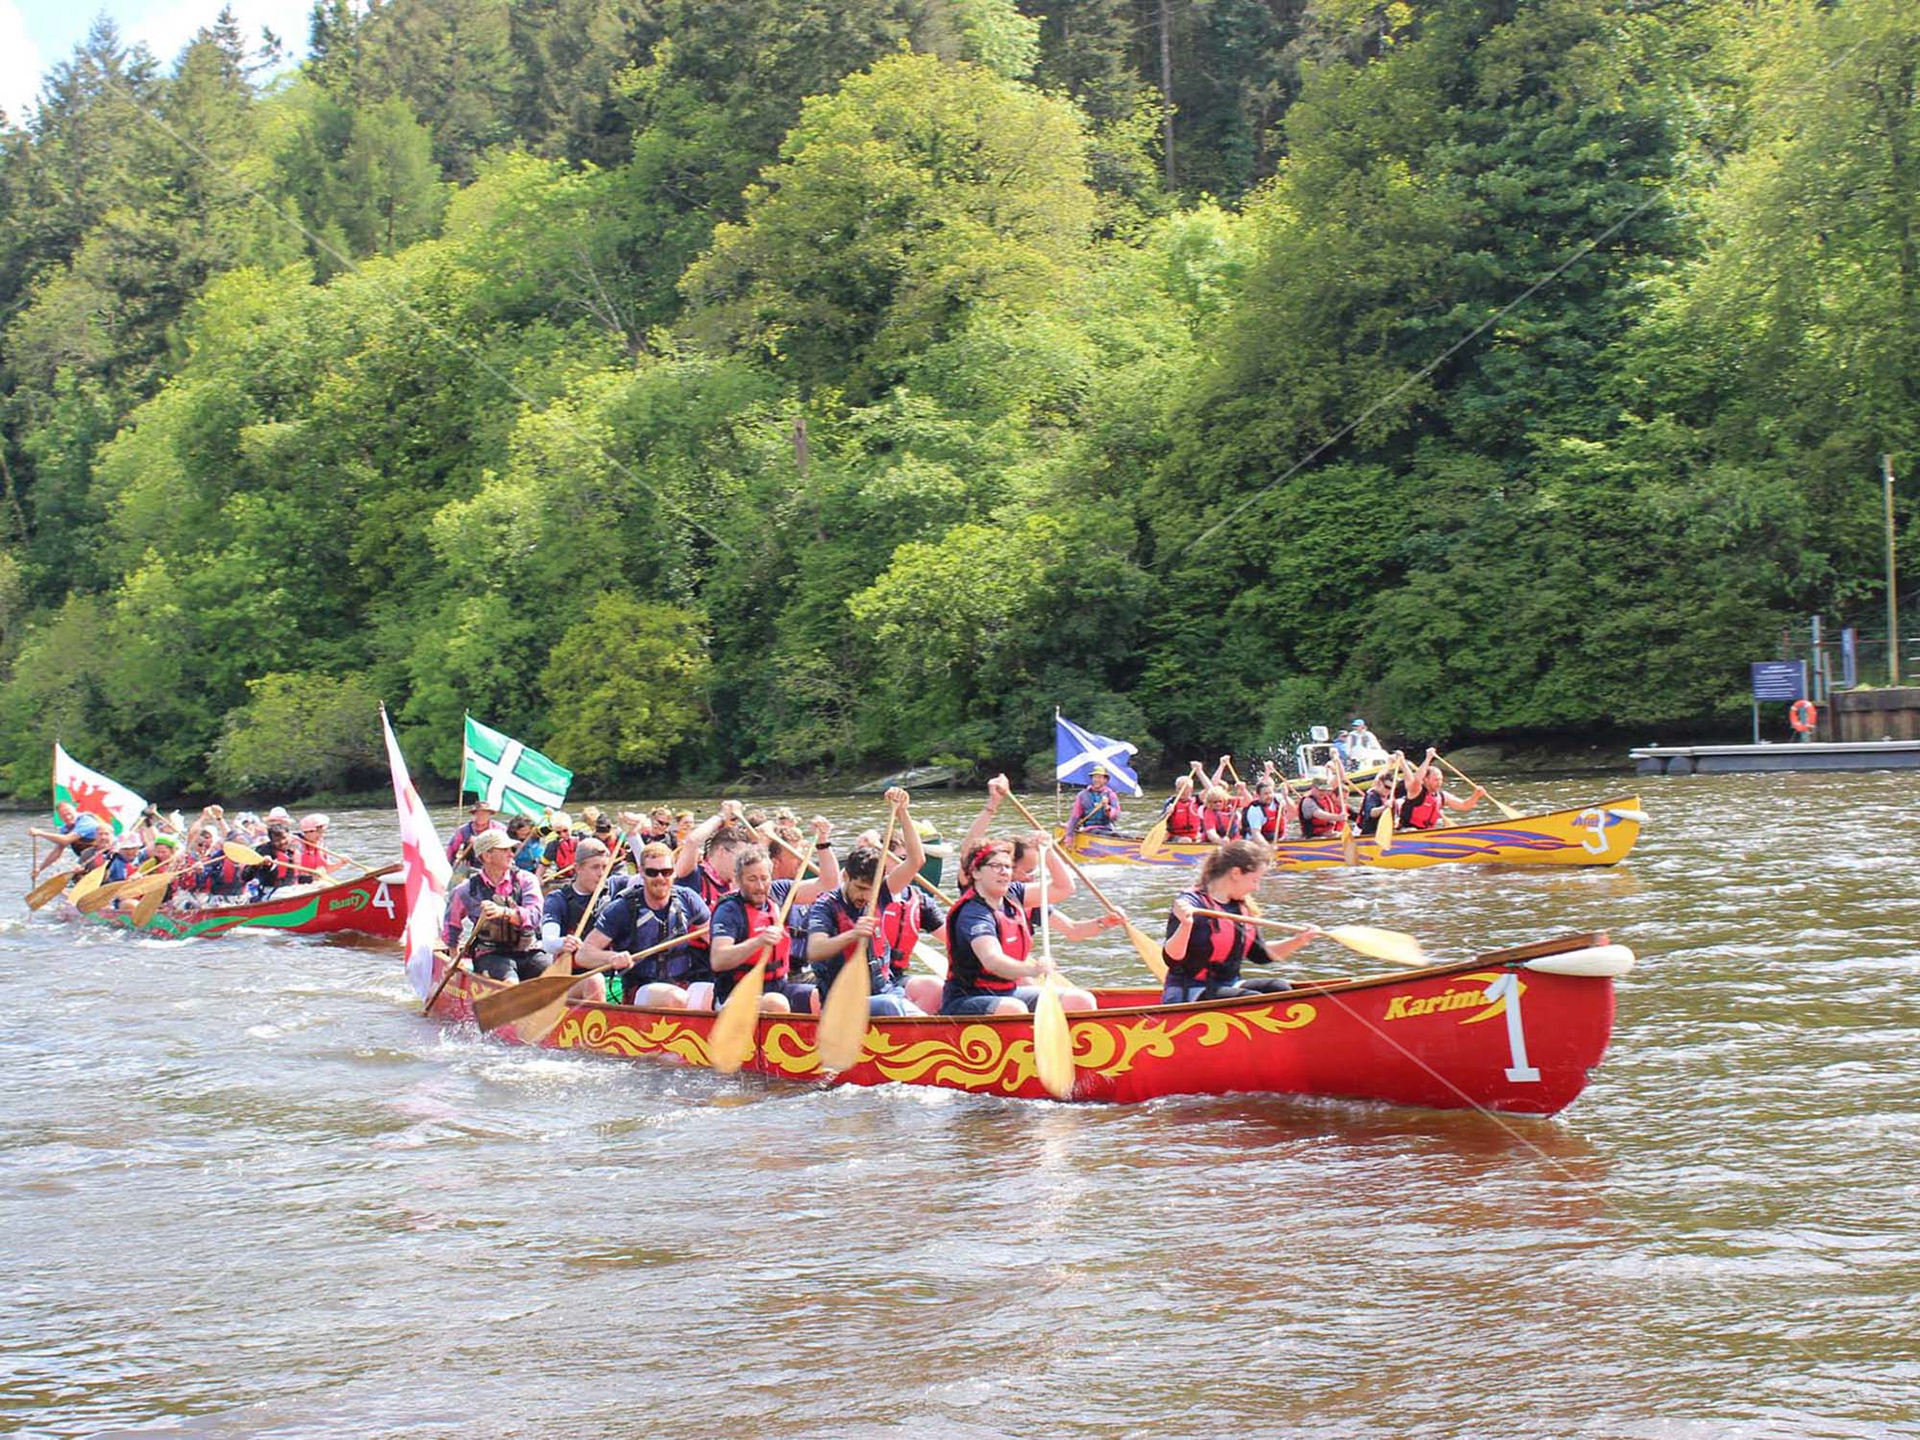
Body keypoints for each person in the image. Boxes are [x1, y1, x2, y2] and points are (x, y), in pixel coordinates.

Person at [938, 840, 1096, 1017]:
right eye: (995, 866)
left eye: (1007, 866)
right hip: (966, 999)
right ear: (976, 872)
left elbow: (1063, 888)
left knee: (1081, 1000)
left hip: (1007, 992)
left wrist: (1049, 851)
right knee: (1013, 1009)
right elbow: (992, 961)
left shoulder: (1015, 894)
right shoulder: (973, 913)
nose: (1004, 872)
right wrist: (1033, 970)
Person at [807, 793, 925, 1016]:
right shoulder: (826, 906)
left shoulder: (879, 894)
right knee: (891, 1006)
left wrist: (902, 813)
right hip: (842, 1004)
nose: (867, 896)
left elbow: (916, 860)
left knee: (925, 1005)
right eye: (861, 888)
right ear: (846, 877)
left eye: (872, 889)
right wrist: (852, 935)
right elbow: (815, 950)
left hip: (885, 992)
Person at [1161, 840, 1321, 1003]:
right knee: (1253, 1000)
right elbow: (1172, 958)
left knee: (1280, 988)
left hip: (1228, 984)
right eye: (1255, 880)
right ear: (1236, 873)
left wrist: (1298, 941)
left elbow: (1260, 955)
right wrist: (1185, 925)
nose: (1256, 888)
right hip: (1190, 990)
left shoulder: (1242, 907)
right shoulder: (1192, 904)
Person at [582, 842, 712, 1008]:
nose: (660, 878)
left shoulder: (688, 899)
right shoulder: (622, 908)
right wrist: (611, 958)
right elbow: (584, 954)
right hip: (640, 990)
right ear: (641, 872)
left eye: (666, 872)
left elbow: (713, 939)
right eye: (652, 872)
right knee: (675, 998)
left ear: (674, 872)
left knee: (711, 993)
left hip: (682, 983)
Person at [707, 844, 826, 1014]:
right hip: (735, 994)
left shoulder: (776, 897)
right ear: (738, 880)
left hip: (778, 986)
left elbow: (829, 884)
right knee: (776, 1003)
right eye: (752, 879)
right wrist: (759, 941)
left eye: (764, 878)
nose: (760, 886)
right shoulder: (729, 911)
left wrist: (823, 843)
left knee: (821, 998)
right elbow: (718, 960)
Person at [443, 829, 547, 983]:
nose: (511, 854)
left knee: (554, 975)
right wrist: (453, 957)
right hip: (491, 954)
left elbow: (535, 917)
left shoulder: (527, 880)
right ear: (487, 856)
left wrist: (504, 913)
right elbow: (452, 926)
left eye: (511, 850)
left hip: (529, 950)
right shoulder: (466, 890)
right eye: (505, 850)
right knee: (510, 982)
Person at [537, 839, 634, 1003]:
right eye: (595, 867)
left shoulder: (615, 887)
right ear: (578, 868)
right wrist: (563, 942)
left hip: (612, 976)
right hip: (573, 980)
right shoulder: (558, 899)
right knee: (594, 981)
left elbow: (649, 874)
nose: (602, 873)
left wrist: (633, 835)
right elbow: (548, 943)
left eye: (605, 867)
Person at [1399, 749, 1486, 829]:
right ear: (1426, 779)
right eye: (1436, 780)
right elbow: (1417, 779)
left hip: (1427, 833)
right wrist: (1428, 758)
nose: (1439, 783)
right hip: (1408, 830)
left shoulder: (1442, 796)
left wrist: (1476, 795)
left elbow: (1464, 806)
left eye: (1441, 779)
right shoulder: (1416, 791)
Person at [29, 802, 106, 874]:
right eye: (64, 815)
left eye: (69, 813)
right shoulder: (65, 829)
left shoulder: (86, 821)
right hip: (87, 860)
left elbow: (66, 840)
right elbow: (57, 852)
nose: (68, 817)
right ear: (60, 817)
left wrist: (41, 833)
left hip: (106, 855)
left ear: (75, 811)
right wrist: (40, 869)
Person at [1062, 764, 1123, 840]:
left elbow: (1115, 816)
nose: (1096, 780)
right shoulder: (1082, 795)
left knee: (1119, 836)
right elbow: (1074, 817)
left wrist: (1107, 807)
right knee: (1099, 833)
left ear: (1105, 780)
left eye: (1099, 777)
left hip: (1107, 829)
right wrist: (1069, 836)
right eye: (1095, 777)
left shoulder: (1111, 795)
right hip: (1090, 830)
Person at [446, 799, 505, 871]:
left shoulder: (499, 829)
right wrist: (452, 864)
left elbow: (507, 847)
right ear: (474, 814)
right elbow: (451, 849)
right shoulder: (463, 830)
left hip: (493, 865)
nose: (481, 816)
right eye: (478, 814)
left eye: (484, 814)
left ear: (490, 815)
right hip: (469, 866)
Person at [1355, 756, 1405, 836]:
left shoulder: (1389, 796)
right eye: (1387, 787)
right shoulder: (1372, 795)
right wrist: (1384, 807)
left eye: (1392, 789)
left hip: (1385, 832)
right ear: (1380, 784)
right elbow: (1371, 813)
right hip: (1369, 833)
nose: (1389, 791)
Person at [1297, 767, 1352, 839]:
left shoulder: (1326, 796)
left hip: (1329, 834)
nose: (1323, 792)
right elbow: (1320, 815)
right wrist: (1338, 817)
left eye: (1325, 790)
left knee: (1348, 836)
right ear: (1313, 787)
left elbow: (1340, 776)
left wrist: (1336, 761)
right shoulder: (1308, 802)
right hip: (1314, 837)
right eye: (1320, 790)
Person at [1239, 779, 1286, 843]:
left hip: (1276, 839)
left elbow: (1292, 811)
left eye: (1271, 792)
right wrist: (1268, 849)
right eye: (1265, 794)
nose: (1269, 796)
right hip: (1256, 841)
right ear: (1258, 796)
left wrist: (1285, 797)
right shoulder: (1255, 810)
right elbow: (1256, 834)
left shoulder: (1278, 800)